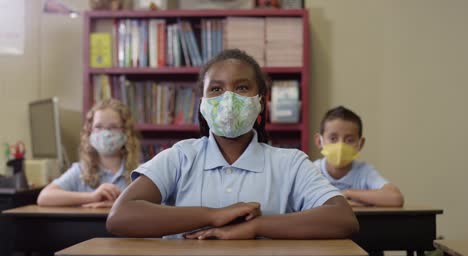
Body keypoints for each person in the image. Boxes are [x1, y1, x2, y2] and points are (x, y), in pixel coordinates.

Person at [106, 49, 358, 239]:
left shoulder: (289, 162)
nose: (228, 98)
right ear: (202, 103)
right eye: (216, 89)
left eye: (242, 87)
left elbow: (343, 218)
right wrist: (213, 215)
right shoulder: (181, 156)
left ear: (260, 100)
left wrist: (256, 226)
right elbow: (120, 217)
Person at [37, 99, 140, 208]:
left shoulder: (140, 173)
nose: (105, 133)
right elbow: (44, 197)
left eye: (113, 127)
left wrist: (118, 204)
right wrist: (92, 196)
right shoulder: (80, 171)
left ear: (126, 132)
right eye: (98, 127)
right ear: (90, 131)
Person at [313, 106, 404, 207]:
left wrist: (348, 193)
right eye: (333, 138)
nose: (341, 146)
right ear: (319, 141)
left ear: (360, 144)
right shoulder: (312, 171)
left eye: (349, 140)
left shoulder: (364, 171)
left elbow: (395, 198)